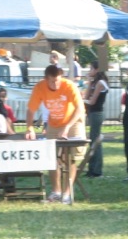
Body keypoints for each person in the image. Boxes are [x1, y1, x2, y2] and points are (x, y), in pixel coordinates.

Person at [24, 65, 86, 205]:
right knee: (52, 157)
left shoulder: (69, 86)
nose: (55, 84)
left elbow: (80, 109)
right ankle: (56, 192)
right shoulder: (40, 88)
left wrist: (67, 127)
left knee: (70, 158)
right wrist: (29, 128)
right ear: (46, 79)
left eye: (57, 80)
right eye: (52, 81)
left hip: (73, 122)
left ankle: (67, 193)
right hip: (54, 123)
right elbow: (30, 110)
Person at [83, 60, 108, 178]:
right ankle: (92, 169)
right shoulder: (94, 82)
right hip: (92, 113)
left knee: (95, 142)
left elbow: (92, 101)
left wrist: (81, 101)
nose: (89, 71)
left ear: (97, 70)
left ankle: (97, 170)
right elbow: (87, 96)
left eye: (91, 69)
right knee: (93, 141)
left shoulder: (101, 83)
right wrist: (89, 82)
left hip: (97, 113)